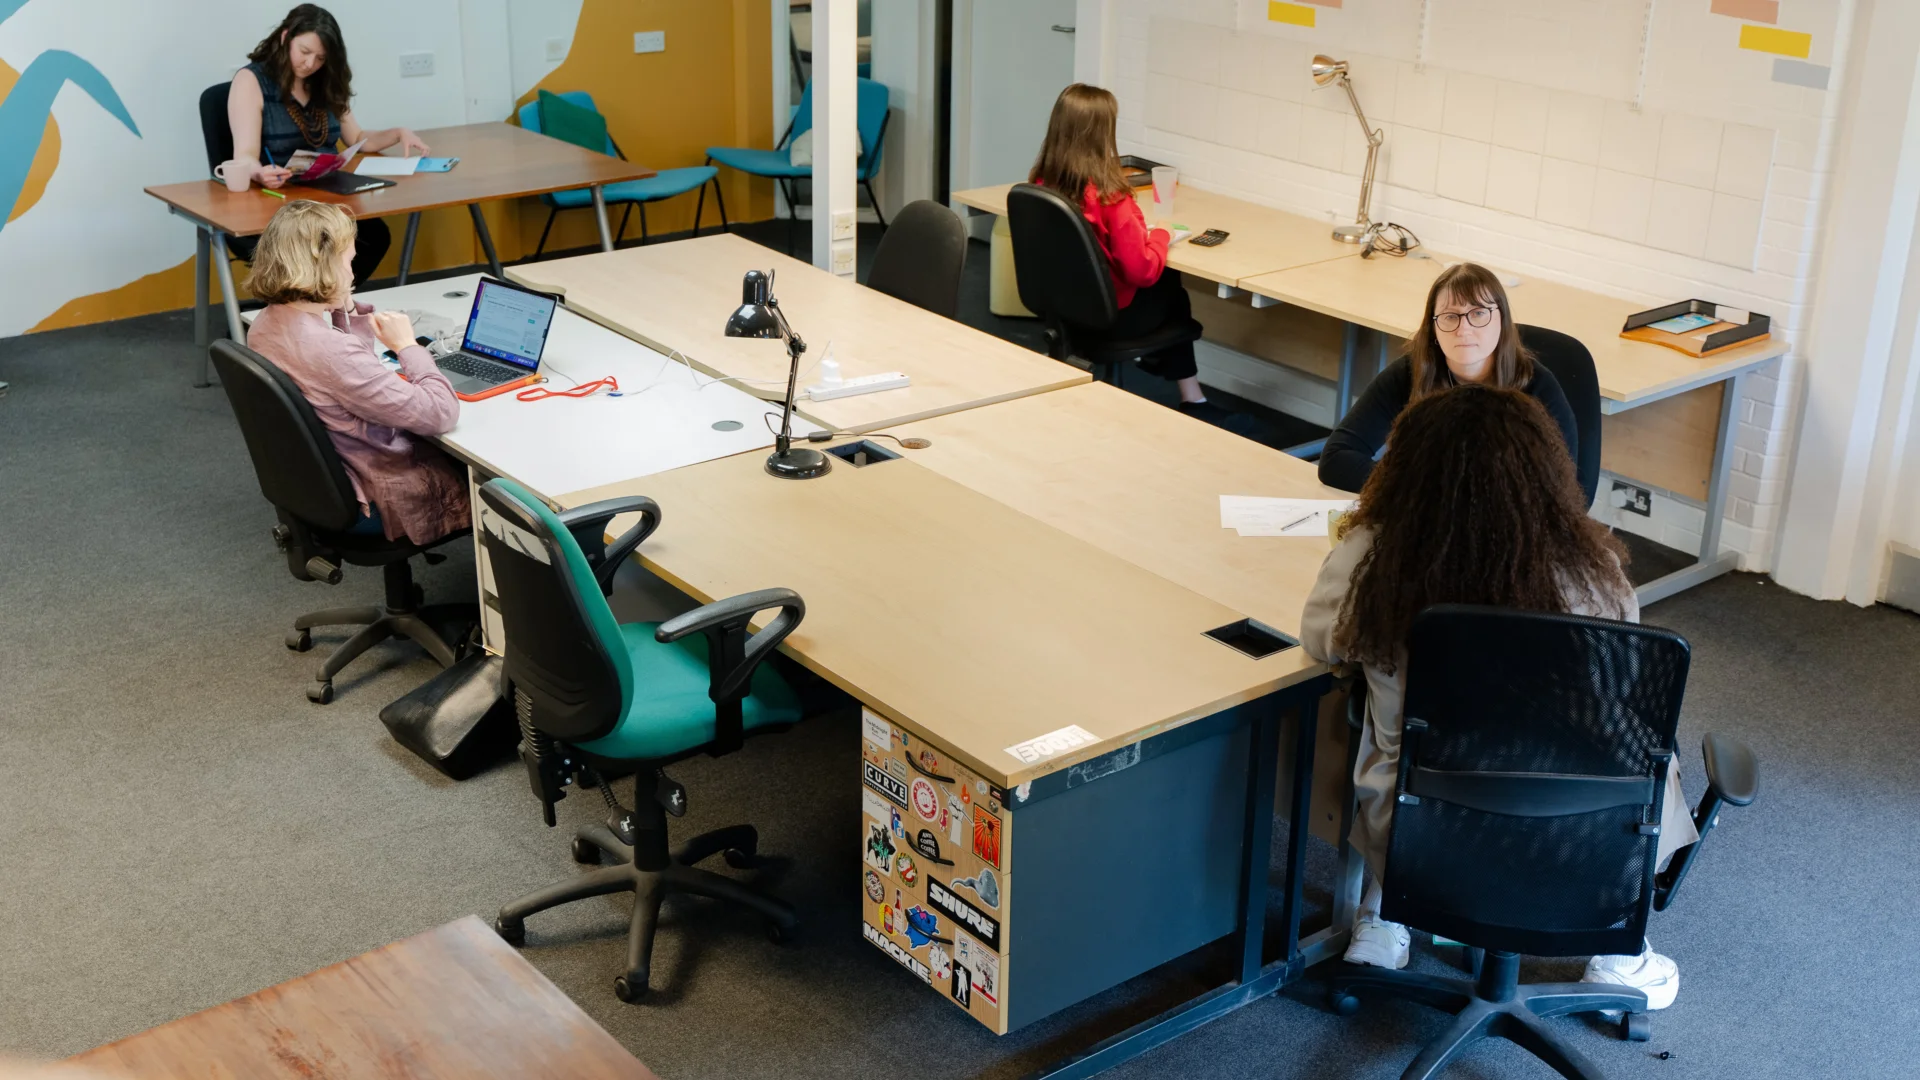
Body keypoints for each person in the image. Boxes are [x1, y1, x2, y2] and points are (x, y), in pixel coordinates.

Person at [1300, 384, 1697, 1009]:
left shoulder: (1374, 554)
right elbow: (1625, 680)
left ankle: (1386, 911)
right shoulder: (1593, 564)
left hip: (1421, 825)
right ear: (1544, 468)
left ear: (1409, 469)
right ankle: (1619, 954)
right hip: (1588, 835)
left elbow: (1321, 641)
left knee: (1360, 718)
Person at [245, 200, 468, 545]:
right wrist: (408, 346)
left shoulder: (264, 325)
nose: (353, 273)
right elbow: (441, 413)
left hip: (321, 482)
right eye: (348, 263)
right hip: (378, 483)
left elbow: (345, 370)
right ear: (324, 266)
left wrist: (341, 304)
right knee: (489, 474)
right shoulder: (333, 353)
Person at [1029, 84, 1235, 424]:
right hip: (1109, 318)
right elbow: (1142, 271)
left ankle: (1167, 373)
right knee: (1171, 288)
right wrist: (1161, 234)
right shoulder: (1112, 198)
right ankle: (1192, 398)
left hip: (1064, 311)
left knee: (1166, 290)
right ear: (1103, 133)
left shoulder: (1040, 185)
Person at [1318, 261, 1578, 495]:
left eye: (1478, 313)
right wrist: (1419, 491)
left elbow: (1567, 487)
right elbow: (1336, 458)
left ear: (1502, 320)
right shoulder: (1412, 373)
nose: (1463, 329)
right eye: (1450, 317)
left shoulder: (1537, 386)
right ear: (1433, 328)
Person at [226, 4, 430, 284]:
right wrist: (260, 172)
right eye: (305, 52)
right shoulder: (252, 81)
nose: (310, 64)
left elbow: (356, 138)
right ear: (286, 38)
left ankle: (327, 308)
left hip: (326, 196)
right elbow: (245, 156)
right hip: (279, 201)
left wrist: (396, 133)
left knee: (373, 237)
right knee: (318, 249)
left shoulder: (324, 82)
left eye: (320, 58)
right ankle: (310, 312)